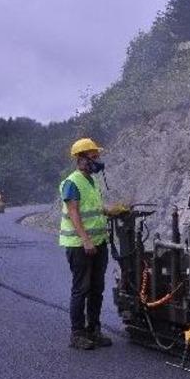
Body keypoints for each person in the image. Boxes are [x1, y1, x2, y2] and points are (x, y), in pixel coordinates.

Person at [60, 138, 126, 350]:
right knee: (81, 288)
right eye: (93, 157)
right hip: (80, 245)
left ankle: (93, 330)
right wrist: (86, 240)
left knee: (97, 288)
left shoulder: (92, 181)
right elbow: (74, 213)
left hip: (98, 243)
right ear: (81, 159)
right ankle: (77, 334)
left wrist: (111, 210)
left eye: (98, 156)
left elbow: (93, 208)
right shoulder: (72, 182)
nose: (97, 160)